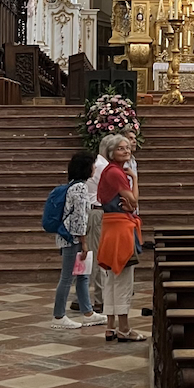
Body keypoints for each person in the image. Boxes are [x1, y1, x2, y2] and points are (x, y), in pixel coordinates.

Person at [96, 135, 144, 342]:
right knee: (123, 279)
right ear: (111, 152)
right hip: (120, 228)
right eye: (121, 148)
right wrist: (135, 179)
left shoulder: (109, 171)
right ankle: (124, 328)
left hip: (111, 226)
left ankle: (110, 326)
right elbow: (133, 201)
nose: (126, 151)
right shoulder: (116, 172)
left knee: (111, 279)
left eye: (127, 147)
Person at [51, 151, 107, 329]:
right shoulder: (81, 188)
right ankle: (59, 316)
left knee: (83, 275)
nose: (94, 168)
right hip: (72, 239)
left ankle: (88, 312)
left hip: (70, 236)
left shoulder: (73, 186)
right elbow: (80, 218)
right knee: (67, 277)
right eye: (92, 165)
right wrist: (84, 242)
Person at [73, 134, 115, 314]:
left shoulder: (98, 164)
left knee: (90, 254)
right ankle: (99, 299)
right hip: (96, 211)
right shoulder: (103, 167)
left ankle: (81, 297)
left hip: (91, 212)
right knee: (97, 255)